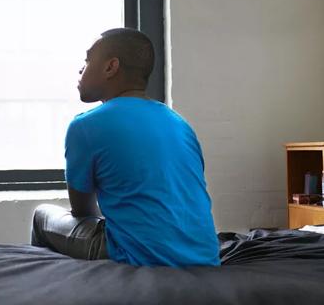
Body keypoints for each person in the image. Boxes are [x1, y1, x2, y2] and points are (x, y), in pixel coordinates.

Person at [31, 28, 220, 267]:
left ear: (111, 67)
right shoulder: (180, 124)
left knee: (41, 216)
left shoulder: (86, 125)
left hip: (138, 256)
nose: (81, 69)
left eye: (88, 60)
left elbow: (82, 211)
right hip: (205, 259)